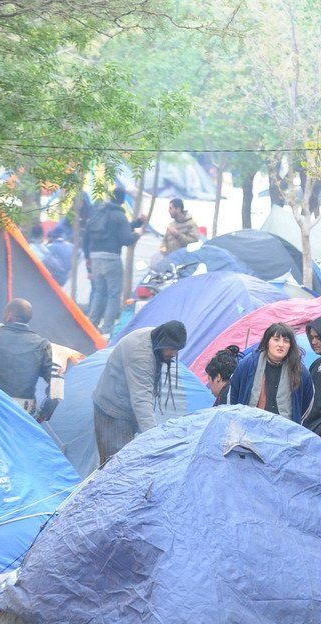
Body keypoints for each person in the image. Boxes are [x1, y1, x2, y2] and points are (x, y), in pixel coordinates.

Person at [91, 320, 187, 466]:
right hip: (112, 411)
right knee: (117, 468)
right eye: (171, 348)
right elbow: (141, 400)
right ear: (163, 341)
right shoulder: (140, 356)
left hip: (124, 408)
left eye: (177, 349)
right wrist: (155, 439)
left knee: (125, 465)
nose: (174, 354)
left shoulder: (154, 336)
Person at [0, 299, 57, 421]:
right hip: (23, 414)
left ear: (9, 316)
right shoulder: (42, 345)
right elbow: (56, 385)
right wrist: (44, 412)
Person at [227, 323, 314, 424]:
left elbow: (308, 401)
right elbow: (233, 392)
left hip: (284, 431)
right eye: (276, 339)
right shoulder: (249, 363)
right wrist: (235, 421)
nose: (281, 345)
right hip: (250, 426)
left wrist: (296, 421)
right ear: (267, 341)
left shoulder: (299, 370)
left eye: (286, 341)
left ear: (290, 345)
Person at [84, 186, 137, 332]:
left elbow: (87, 236)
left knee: (99, 292)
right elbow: (126, 239)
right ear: (122, 200)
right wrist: (137, 234)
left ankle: (90, 325)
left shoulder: (98, 212)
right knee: (114, 294)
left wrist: (88, 260)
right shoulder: (120, 216)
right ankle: (107, 328)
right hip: (111, 259)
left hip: (95, 258)